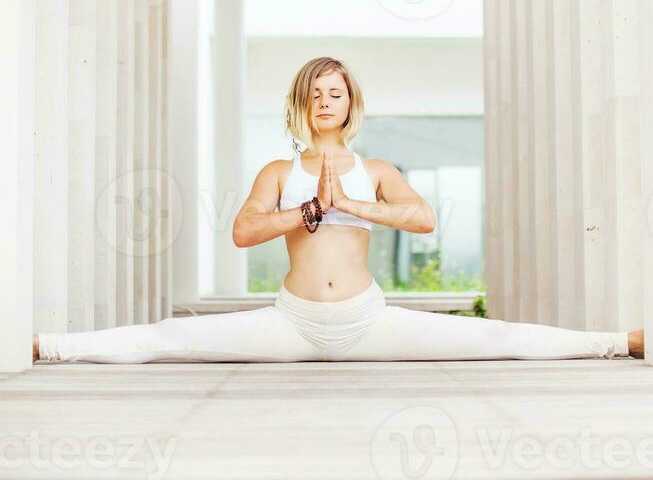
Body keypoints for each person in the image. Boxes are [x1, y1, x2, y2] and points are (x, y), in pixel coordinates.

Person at [34, 56, 645, 364]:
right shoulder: (278, 172)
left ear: (350, 103)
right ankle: (47, 348)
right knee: (168, 338)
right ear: (301, 103)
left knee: (498, 339)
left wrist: (351, 203)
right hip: (290, 322)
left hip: (369, 320)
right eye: (315, 93)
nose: (326, 101)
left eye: (336, 92)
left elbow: (424, 218)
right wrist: (307, 211)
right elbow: (243, 232)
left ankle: (624, 341)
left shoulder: (377, 172)